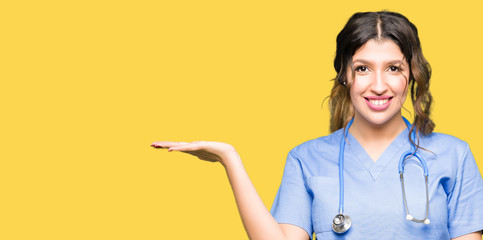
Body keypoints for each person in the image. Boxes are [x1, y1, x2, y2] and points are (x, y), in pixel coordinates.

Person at [151, 11, 483, 240]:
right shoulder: (306, 158)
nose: (379, 85)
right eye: (363, 68)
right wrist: (230, 158)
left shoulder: (453, 155)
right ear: (345, 75)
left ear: (411, 73)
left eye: (393, 68)